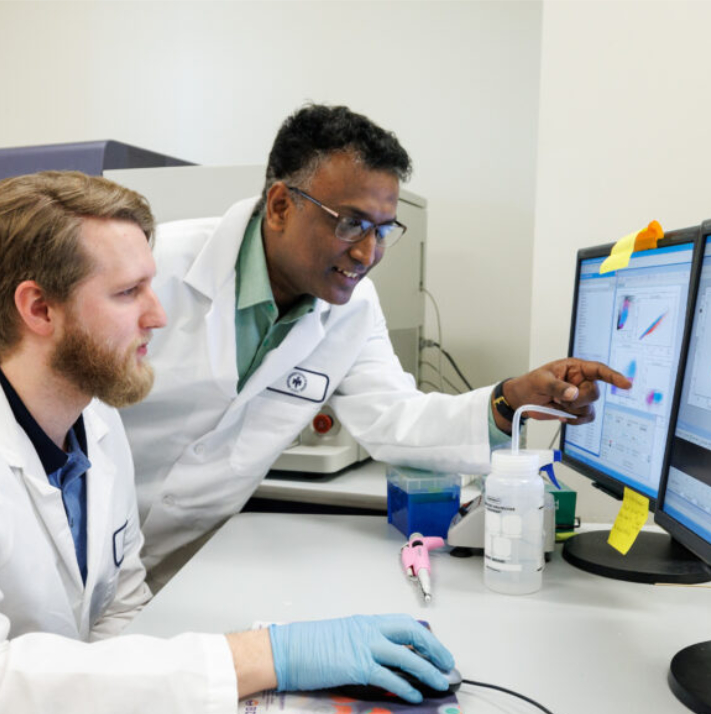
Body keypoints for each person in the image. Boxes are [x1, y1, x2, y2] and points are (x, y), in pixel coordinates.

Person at [0, 171, 456, 714]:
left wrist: (173, 699)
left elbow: (119, 605)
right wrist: (259, 658)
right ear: (39, 308)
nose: (158, 315)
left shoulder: (93, 419)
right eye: (128, 293)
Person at [121, 104, 631, 585]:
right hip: (79, 556)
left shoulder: (353, 308)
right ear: (280, 206)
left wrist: (508, 401)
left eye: (383, 231)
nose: (368, 253)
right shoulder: (151, 266)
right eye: (351, 224)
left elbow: (394, 420)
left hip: (188, 566)